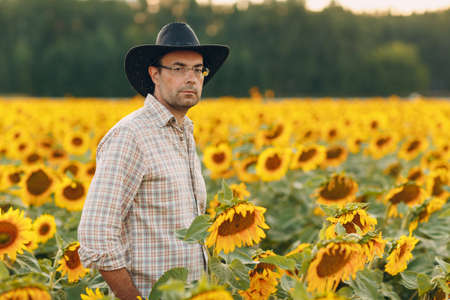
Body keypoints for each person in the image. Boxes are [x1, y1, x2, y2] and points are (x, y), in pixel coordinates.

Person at [77, 22, 229, 299]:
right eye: (179, 68)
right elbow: (96, 235)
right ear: (154, 74)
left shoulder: (185, 133)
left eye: (198, 70)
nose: (191, 78)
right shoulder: (131, 136)